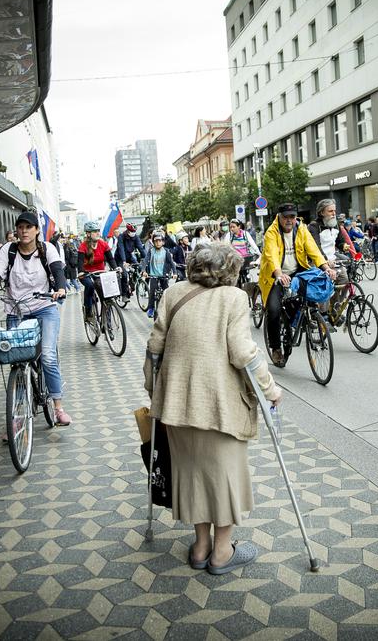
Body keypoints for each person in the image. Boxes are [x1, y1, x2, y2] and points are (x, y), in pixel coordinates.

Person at [144, 243, 282, 575]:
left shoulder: (173, 293)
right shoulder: (234, 298)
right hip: (219, 405)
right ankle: (221, 553)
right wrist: (270, 390)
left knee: (192, 476)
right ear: (230, 271)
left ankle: (200, 546)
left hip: (175, 404)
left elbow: (154, 349)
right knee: (223, 478)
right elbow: (243, 353)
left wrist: (155, 392)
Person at [0, 211, 71, 425]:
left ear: (37, 230)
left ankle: (58, 408)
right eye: (20, 227)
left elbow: (58, 271)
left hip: (44, 307)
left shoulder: (47, 248)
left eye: (28, 227)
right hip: (16, 310)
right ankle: (17, 416)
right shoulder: (7, 250)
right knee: (16, 361)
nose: (24, 231)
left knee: (47, 356)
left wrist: (61, 288)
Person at [259, 203, 337, 364]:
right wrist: (279, 274)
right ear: (279, 217)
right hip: (276, 276)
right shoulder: (271, 233)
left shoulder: (301, 229)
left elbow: (313, 250)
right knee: (273, 310)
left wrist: (325, 267)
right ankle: (275, 348)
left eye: (292, 217)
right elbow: (271, 255)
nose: (289, 220)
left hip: (297, 273)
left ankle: (298, 323)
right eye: (285, 217)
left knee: (306, 299)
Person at [77, 220, 119, 323]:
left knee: (107, 297)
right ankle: (88, 311)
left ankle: (107, 322)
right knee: (90, 285)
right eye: (94, 231)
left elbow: (110, 259)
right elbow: (80, 261)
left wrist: (116, 267)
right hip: (86, 273)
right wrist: (81, 271)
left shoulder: (103, 244)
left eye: (98, 231)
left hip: (100, 272)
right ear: (88, 233)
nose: (97, 233)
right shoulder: (83, 246)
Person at [141, 232, 175, 318]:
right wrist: (143, 270)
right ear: (153, 242)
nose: (158, 243)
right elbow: (145, 260)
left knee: (167, 292)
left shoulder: (166, 251)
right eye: (156, 241)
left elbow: (172, 263)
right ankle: (151, 308)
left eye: (160, 241)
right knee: (152, 292)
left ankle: (169, 309)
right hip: (153, 275)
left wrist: (175, 273)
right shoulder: (151, 251)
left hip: (164, 275)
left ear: (163, 242)